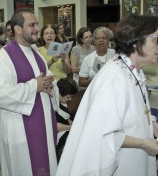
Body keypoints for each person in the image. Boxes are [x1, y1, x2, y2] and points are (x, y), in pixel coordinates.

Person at [56, 14, 158, 176]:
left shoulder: (133, 71)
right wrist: (143, 143)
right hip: (122, 161)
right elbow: (101, 132)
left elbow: (136, 110)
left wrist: (151, 124)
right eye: (155, 39)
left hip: (136, 156)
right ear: (135, 40)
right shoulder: (114, 77)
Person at [0, 8, 58, 176]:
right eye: (31, 25)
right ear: (17, 29)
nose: (36, 29)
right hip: (19, 127)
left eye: (37, 24)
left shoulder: (37, 54)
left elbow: (45, 82)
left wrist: (50, 86)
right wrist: (34, 86)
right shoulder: (2, 58)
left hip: (44, 123)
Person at [54, 77, 78, 163]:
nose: (70, 99)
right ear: (59, 93)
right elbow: (54, 126)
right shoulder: (51, 105)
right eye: (68, 97)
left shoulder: (63, 103)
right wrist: (73, 127)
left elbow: (67, 119)